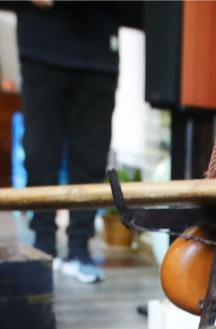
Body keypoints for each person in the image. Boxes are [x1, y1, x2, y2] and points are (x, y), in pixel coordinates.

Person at [15, 1, 141, 283]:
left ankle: (79, 249)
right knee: (39, 153)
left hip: (98, 52)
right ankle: (43, 244)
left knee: (90, 158)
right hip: (41, 46)